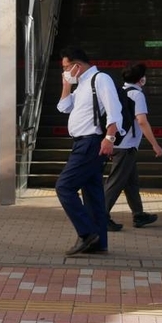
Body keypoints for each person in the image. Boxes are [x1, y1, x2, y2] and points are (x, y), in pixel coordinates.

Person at [56, 46, 122, 256]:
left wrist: (109, 138)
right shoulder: (82, 84)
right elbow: (63, 107)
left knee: (64, 187)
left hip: (91, 142)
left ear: (77, 65)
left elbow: (114, 110)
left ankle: (86, 233)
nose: (65, 71)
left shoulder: (100, 79)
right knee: (93, 194)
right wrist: (67, 84)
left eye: (66, 67)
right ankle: (99, 242)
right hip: (82, 142)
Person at [105, 63, 162, 231]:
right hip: (126, 147)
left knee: (131, 183)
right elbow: (142, 121)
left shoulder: (121, 92)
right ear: (141, 79)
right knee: (115, 183)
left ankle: (138, 214)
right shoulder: (137, 95)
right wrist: (155, 145)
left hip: (120, 143)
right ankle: (100, 215)